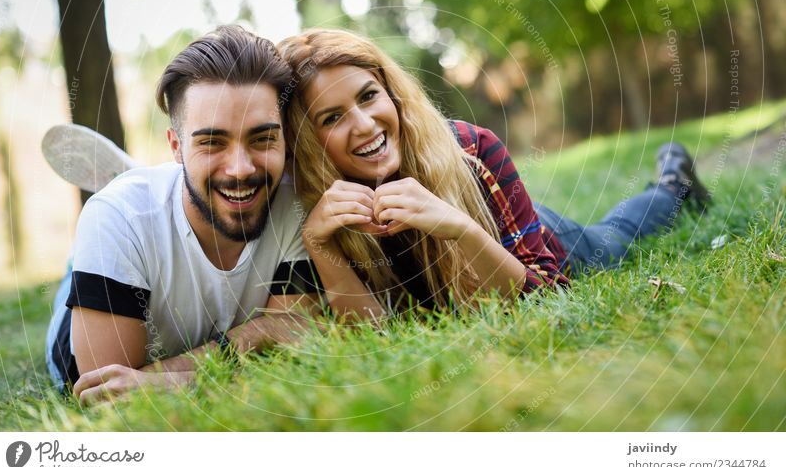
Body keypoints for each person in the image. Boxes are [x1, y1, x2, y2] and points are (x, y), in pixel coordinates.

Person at [275, 29, 709, 319]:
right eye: (332, 118)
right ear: (309, 142)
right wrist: (319, 242)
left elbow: (547, 297)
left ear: (392, 93)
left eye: (369, 96)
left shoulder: (470, 149)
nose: (365, 125)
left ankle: (674, 182)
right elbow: (367, 337)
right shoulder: (317, 208)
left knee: (615, 237)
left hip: (533, 239)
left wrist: (459, 228)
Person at [44, 26, 322, 404]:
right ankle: (101, 241)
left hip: (147, 221)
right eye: (212, 142)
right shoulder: (118, 216)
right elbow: (105, 393)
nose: (240, 168)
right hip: (116, 239)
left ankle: (161, 182)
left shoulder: (296, 205)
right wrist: (254, 339)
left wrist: (165, 380)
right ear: (176, 145)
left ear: (285, 140)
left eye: (262, 138)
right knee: (111, 223)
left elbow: (292, 332)